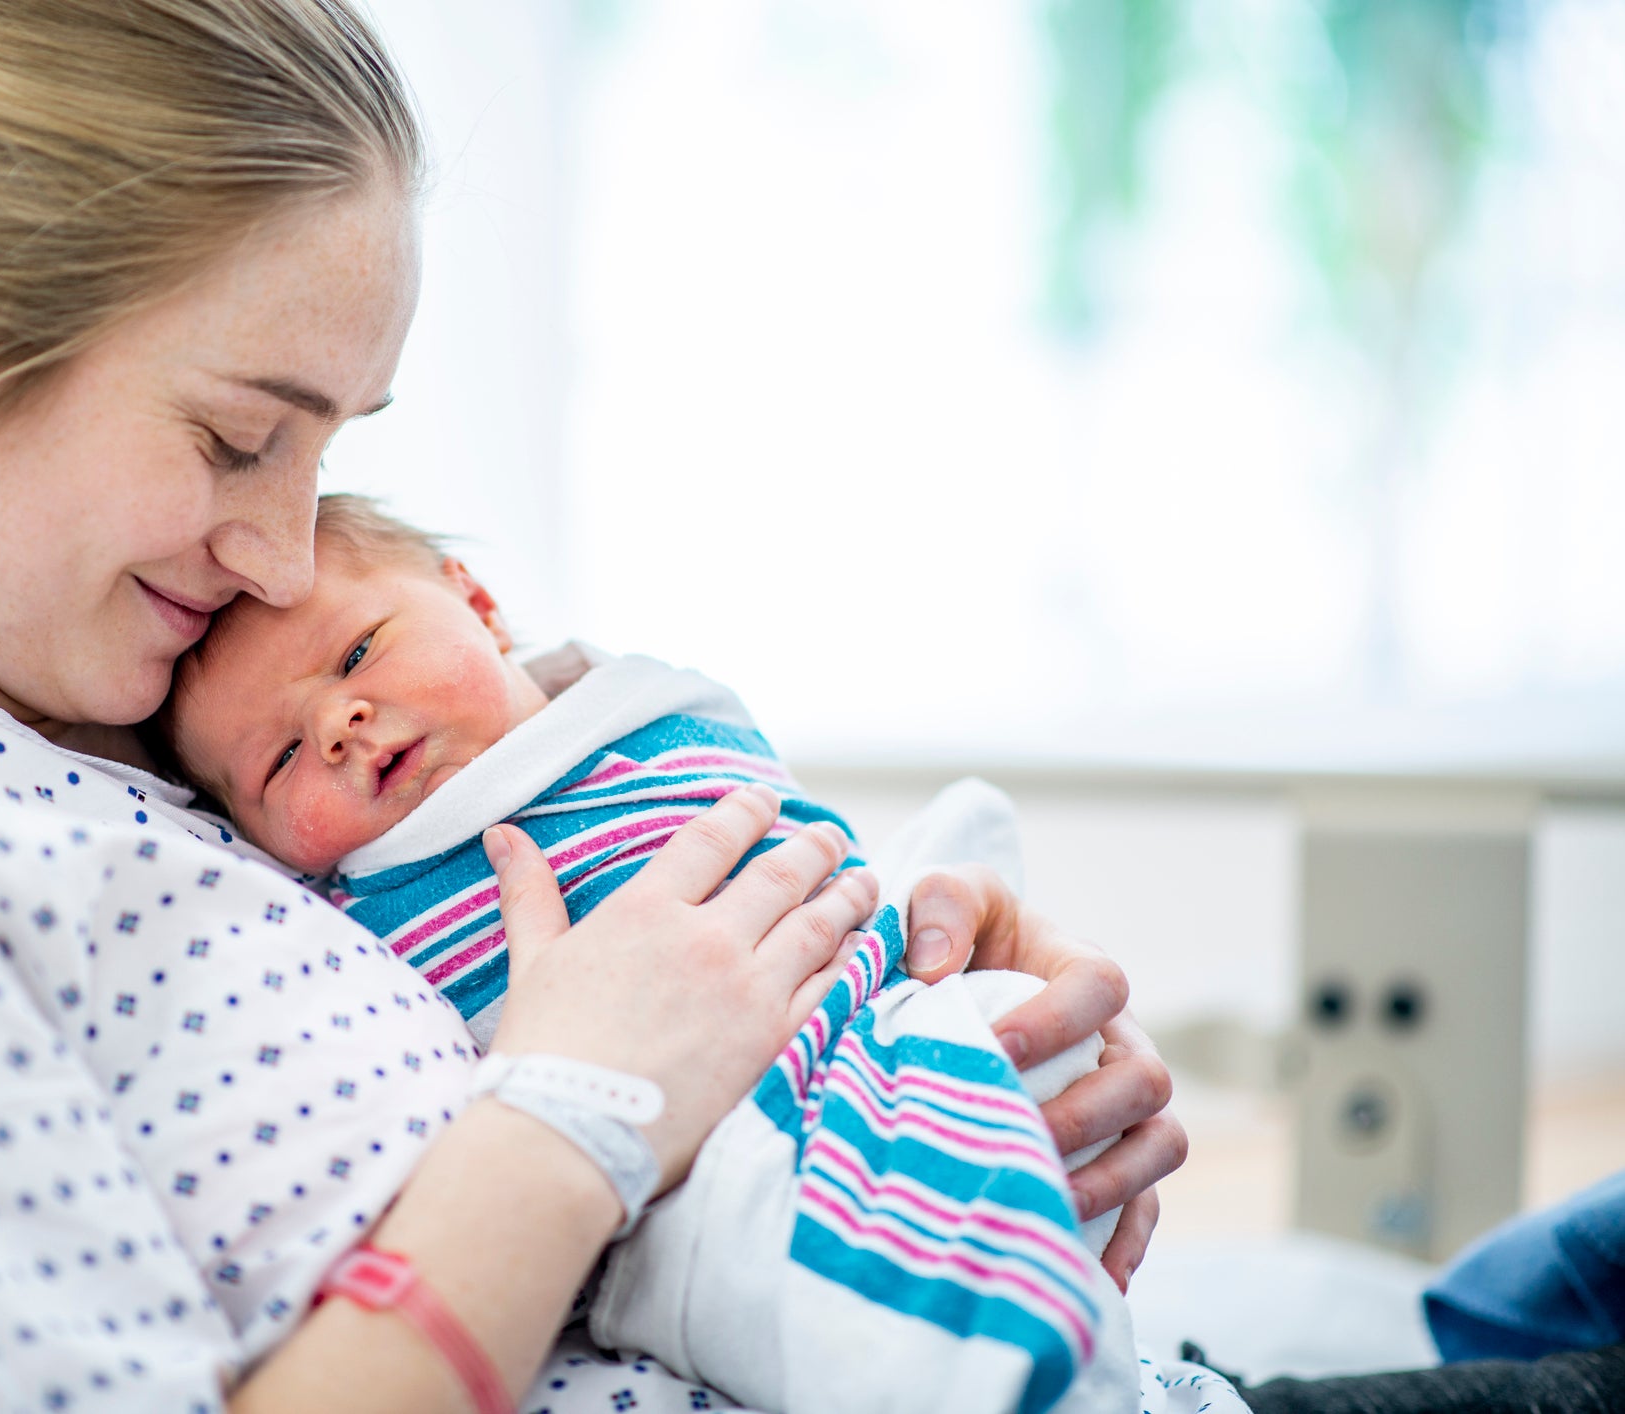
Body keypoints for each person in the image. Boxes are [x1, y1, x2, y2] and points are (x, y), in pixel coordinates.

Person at [0, 4, 1184, 1411]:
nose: (281, 547)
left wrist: (912, 1040)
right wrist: (577, 1106)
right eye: (242, 435)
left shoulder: (64, 740)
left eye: (327, 451)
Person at [157, 494, 1249, 1413]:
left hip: (884, 1002)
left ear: (478, 602)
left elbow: (803, 842)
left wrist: (938, 932)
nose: (341, 721)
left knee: (1000, 998)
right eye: (282, 757)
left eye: (356, 651)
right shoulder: (351, 912)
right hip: (731, 1145)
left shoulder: (629, 711)